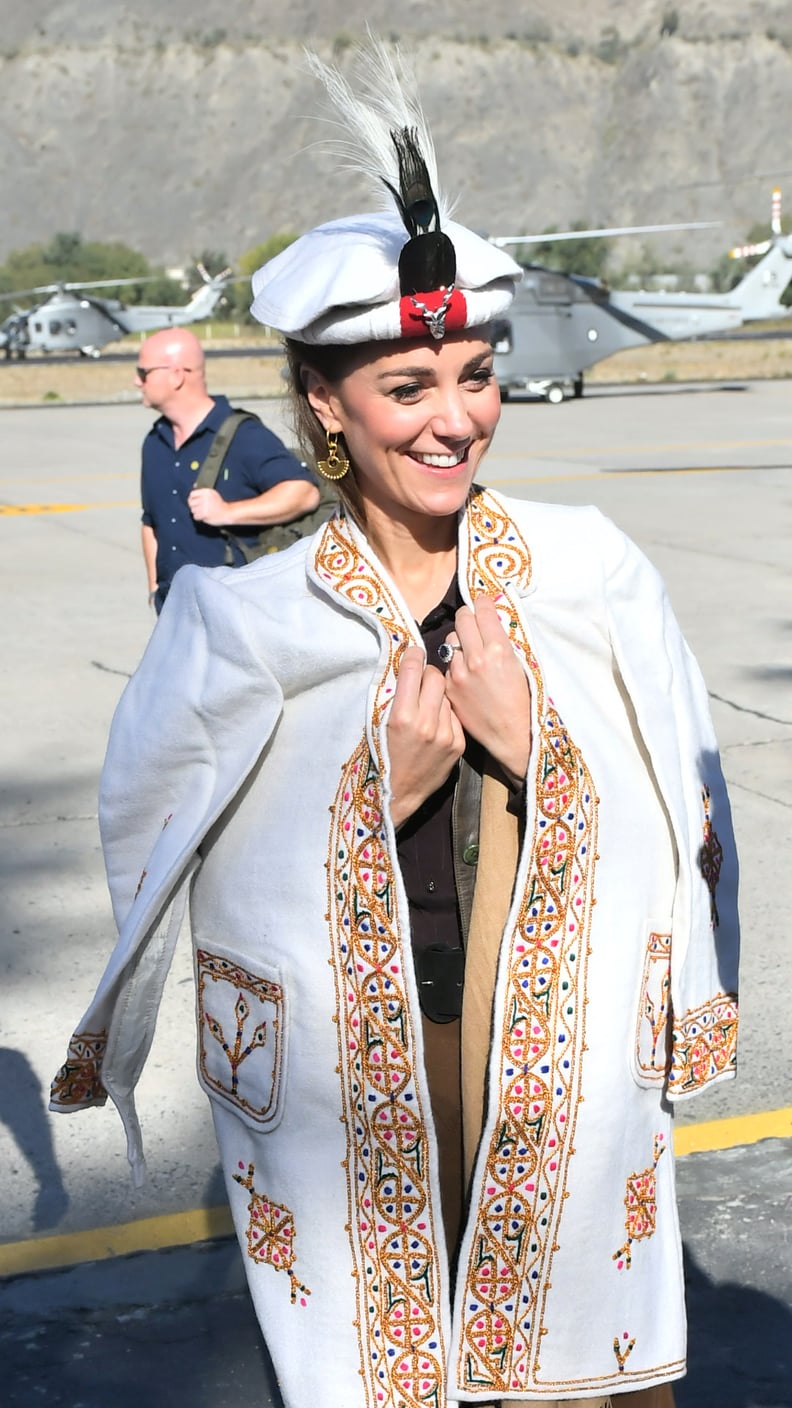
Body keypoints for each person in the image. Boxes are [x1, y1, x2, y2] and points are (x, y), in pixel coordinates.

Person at [51, 41, 739, 1408]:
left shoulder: (592, 571)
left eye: (476, 377)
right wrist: (377, 783)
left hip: (554, 1051)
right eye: (408, 389)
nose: (456, 421)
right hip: (347, 1081)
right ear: (325, 403)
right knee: (382, 1366)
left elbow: (687, 798)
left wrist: (535, 738)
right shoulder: (242, 624)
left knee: (581, 1373)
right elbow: (153, 818)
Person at [136, 326, 320, 611]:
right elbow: (151, 523)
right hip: (174, 609)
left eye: (144, 372)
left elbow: (304, 493)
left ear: (176, 375)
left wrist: (228, 512)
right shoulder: (154, 443)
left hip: (233, 610)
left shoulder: (243, 435)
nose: (137, 381)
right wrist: (154, 589)